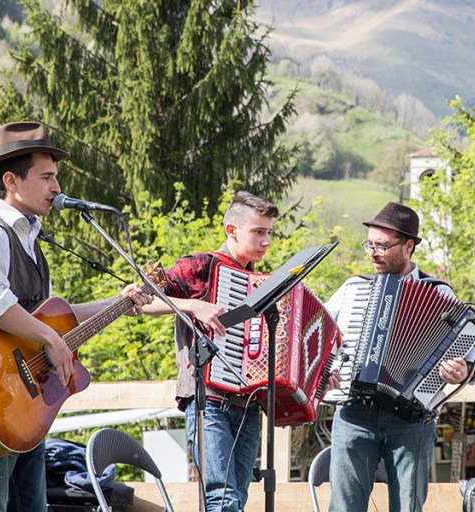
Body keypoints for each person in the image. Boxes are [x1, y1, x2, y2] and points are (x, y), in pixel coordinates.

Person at [0, 121, 151, 512]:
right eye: (47, 177)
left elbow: (49, 318)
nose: (57, 188)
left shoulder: (28, 235)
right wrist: (52, 340)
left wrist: (117, 302)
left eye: (56, 177)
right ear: (11, 180)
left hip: (25, 404)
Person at [142, 191, 339, 511]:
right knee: (222, 497)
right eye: (258, 232)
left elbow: (285, 348)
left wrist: (318, 377)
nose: (266, 241)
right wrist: (193, 306)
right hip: (208, 400)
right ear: (231, 230)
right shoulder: (199, 265)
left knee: (239, 498)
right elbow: (141, 302)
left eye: (269, 233)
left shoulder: (267, 282)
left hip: (248, 405)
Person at [325, 201, 475, 512]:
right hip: (354, 413)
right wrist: (327, 371)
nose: (372, 253)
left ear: (408, 246)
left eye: (382, 246)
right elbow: (320, 339)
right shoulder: (352, 289)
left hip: (410, 419)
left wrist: (462, 372)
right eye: (369, 244)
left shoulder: (440, 295)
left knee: (408, 508)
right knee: (344, 507)